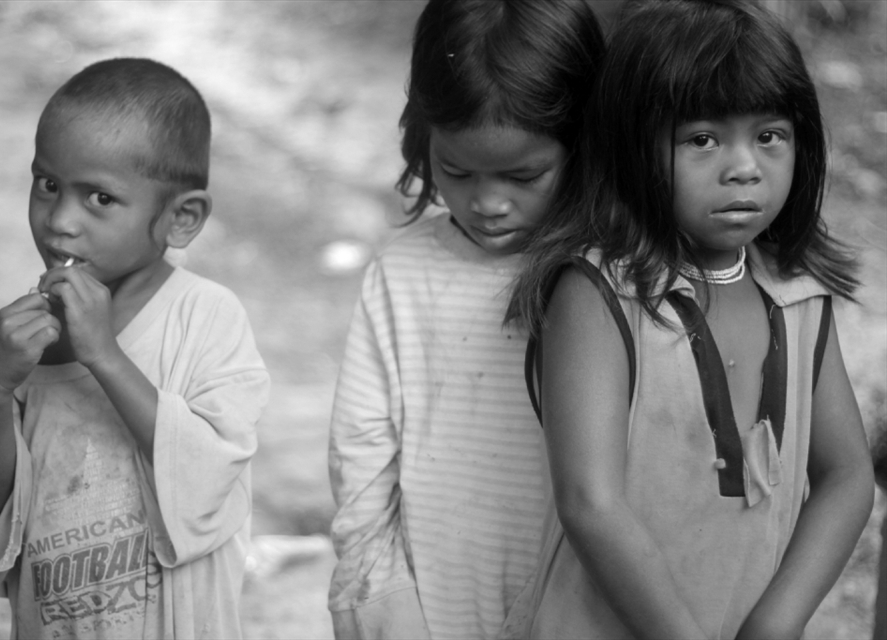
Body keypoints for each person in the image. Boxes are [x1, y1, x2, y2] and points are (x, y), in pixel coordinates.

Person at [502, 1, 875, 638]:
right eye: (702, 139)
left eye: (770, 136)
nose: (744, 167)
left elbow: (847, 476)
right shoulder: (598, 293)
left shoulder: (798, 294)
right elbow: (591, 503)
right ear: (631, 147)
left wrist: (774, 625)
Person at [0, 58, 270, 639]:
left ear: (180, 218)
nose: (60, 222)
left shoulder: (204, 317)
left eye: (99, 198)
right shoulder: (35, 331)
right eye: (48, 185)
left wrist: (105, 356)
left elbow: (210, 480)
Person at [327, 1, 604, 638]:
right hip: (422, 615)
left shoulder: (605, 279)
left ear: (586, 140)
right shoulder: (401, 273)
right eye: (456, 170)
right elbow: (361, 456)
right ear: (420, 136)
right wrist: (378, 599)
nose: (488, 202)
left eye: (523, 174)